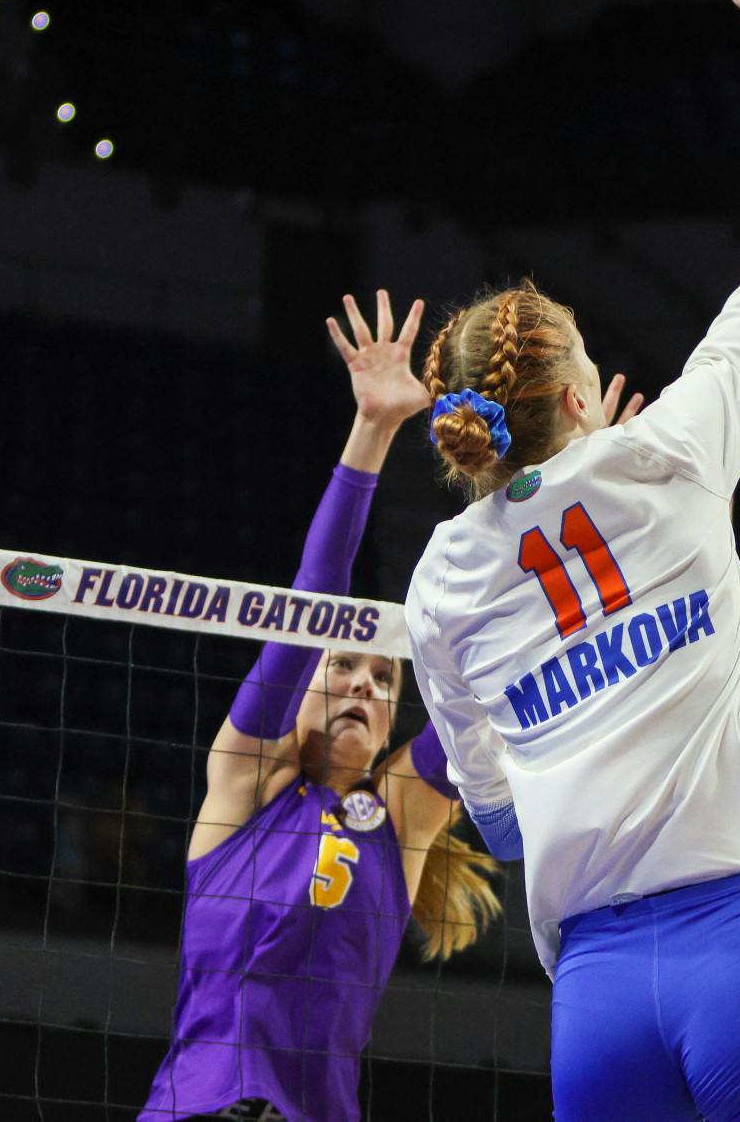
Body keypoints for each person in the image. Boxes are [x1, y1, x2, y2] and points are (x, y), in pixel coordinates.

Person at [404, 0, 740, 1122]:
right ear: (579, 396)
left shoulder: (443, 579)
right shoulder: (667, 456)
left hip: (598, 992)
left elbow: (503, 833)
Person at [142, 292, 504, 1122]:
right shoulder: (246, 781)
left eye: (385, 681)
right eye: (345, 666)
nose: (366, 686)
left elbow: (497, 677)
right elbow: (314, 597)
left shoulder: (401, 814)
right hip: (199, 1108)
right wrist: (373, 429)